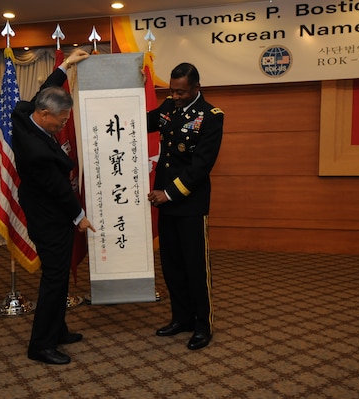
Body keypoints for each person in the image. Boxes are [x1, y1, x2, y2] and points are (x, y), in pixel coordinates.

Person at [11, 48, 95, 365]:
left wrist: (65, 66)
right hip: (48, 216)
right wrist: (80, 218)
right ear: (45, 116)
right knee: (55, 278)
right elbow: (60, 190)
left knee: (57, 275)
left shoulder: (25, 115)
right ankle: (41, 345)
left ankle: (58, 329)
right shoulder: (36, 151)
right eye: (61, 121)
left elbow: (42, 92)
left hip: (46, 207)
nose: (64, 125)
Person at [147, 63, 224, 350]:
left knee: (195, 268)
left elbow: (201, 166)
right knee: (172, 266)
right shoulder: (169, 107)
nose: (175, 96)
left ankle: (203, 325)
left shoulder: (211, 117)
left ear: (195, 88)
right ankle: (182, 318)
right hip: (165, 204)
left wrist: (168, 193)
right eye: (172, 90)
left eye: (181, 92)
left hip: (189, 204)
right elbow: (145, 122)